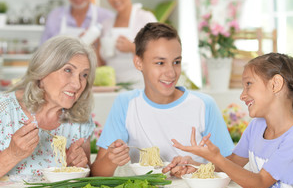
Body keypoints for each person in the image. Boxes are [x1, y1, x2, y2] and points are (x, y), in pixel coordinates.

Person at [173, 53, 293, 188]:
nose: (242, 95)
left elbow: (259, 184)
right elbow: (232, 163)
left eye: (248, 84)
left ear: (275, 84)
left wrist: (215, 157)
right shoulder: (257, 126)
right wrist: (197, 166)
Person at [91, 22, 234, 177]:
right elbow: (98, 173)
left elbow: (232, 168)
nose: (171, 73)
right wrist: (111, 160)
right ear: (139, 63)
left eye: (176, 62)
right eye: (160, 63)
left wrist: (196, 166)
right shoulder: (126, 104)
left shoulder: (204, 105)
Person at [0, 35, 97, 188]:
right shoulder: (5, 110)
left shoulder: (79, 118)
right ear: (42, 72)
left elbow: (86, 185)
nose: (77, 83)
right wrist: (12, 155)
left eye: (84, 75)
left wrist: (78, 169)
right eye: (68, 70)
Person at [97, 0, 157, 89]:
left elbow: (159, 53)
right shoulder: (106, 24)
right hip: (113, 89)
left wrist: (132, 47)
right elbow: (103, 64)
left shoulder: (145, 18)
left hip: (141, 88)